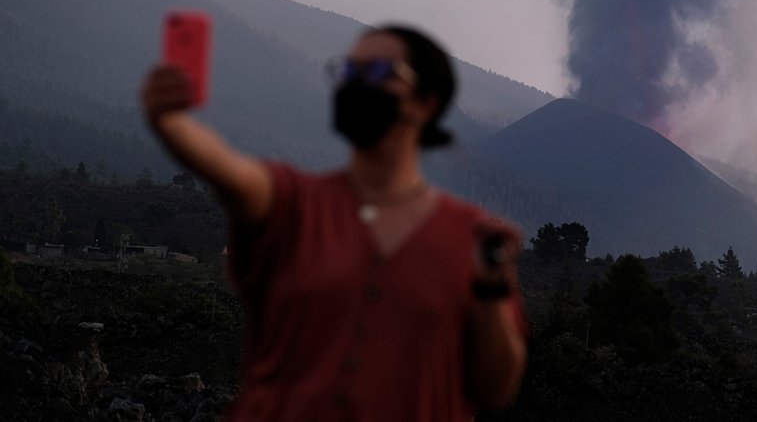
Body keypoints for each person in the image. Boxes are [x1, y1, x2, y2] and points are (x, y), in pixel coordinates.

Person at [141, 23, 527, 421]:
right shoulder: (294, 204)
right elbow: (232, 173)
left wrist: (491, 288)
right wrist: (173, 125)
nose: (358, 84)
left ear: (425, 103)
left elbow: (496, 386)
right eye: (349, 71)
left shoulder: (470, 237)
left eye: (379, 72)